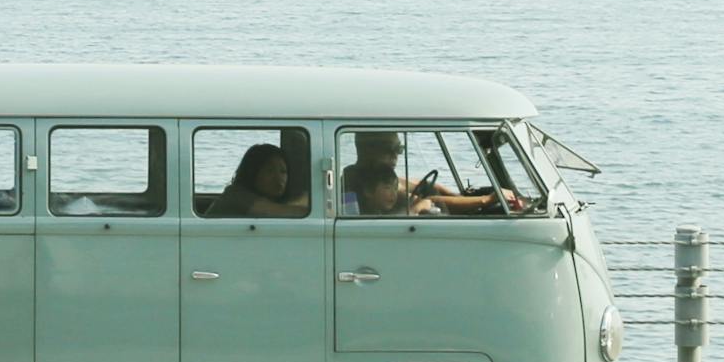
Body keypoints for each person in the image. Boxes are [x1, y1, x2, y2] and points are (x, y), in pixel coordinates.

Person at [342, 130, 516, 217]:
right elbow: (429, 201)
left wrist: (461, 197)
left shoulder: (383, 176)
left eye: (399, 149)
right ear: (367, 150)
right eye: (390, 149)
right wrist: (487, 200)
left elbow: (424, 186)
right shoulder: (356, 181)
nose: (396, 155)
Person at [211, 141, 305, 218]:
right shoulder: (235, 194)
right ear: (252, 172)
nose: (278, 177)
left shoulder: (270, 199)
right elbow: (273, 212)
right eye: (269, 171)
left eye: (283, 171)